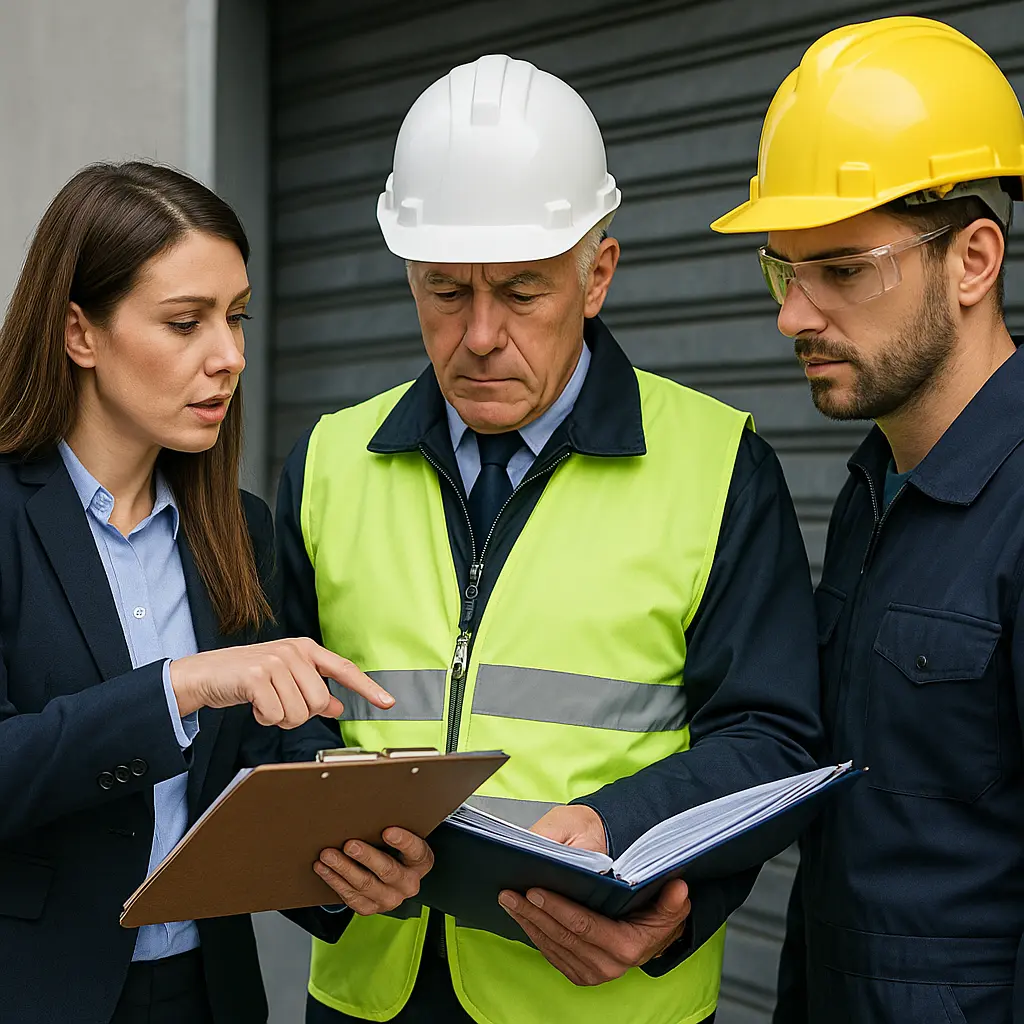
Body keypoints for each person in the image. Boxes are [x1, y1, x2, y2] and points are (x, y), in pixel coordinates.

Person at [276, 54, 824, 1024]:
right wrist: (324, 844)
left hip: (596, 999)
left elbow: (770, 736)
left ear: (596, 273)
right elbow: (273, 716)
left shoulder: (718, 466)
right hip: (371, 1001)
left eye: (521, 292)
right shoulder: (327, 461)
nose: (479, 334)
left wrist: (622, 831)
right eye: (445, 290)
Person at [0, 161, 396, 1024]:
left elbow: (259, 764)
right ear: (80, 333)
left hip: (207, 993)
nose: (230, 357)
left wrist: (352, 850)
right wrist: (178, 687)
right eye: (186, 323)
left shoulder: (239, 528)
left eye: (236, 316)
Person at [711, 15, 1024, 1023]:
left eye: (841, 270)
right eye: (782, 270)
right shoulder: (872, 493)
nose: (791, 317)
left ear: (973, 260)